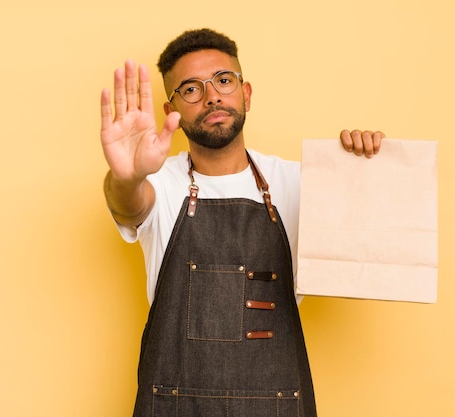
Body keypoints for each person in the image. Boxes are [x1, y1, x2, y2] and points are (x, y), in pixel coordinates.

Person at [100, 28, 384, 416]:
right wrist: (127, 175)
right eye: (190, 89)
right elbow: (129, 205)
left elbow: (368, 243)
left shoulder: (299, 182)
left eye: (223, 80)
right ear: (172, 113)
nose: (212, 95)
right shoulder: (159, 184)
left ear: (245, 92)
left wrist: (361, 168)